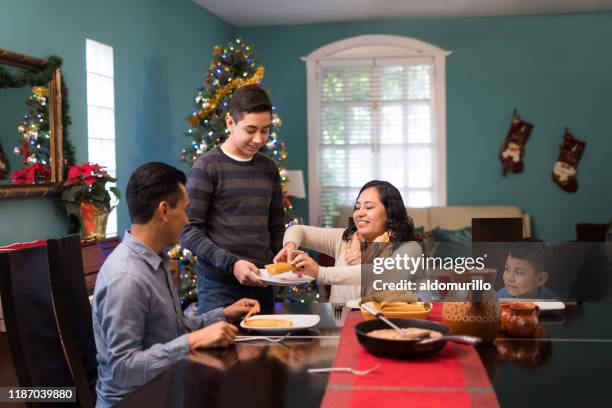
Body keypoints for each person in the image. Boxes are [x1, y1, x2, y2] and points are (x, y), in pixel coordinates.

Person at [92, 162, 260, 408]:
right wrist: (192, 341)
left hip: (163, 391)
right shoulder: (127, 278)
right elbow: (123, 370)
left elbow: (167, 330)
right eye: (184, 210)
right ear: (163, 211)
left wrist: (223, 314)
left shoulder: (154, 260)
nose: (187, 220)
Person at [181, 85, 285, 314]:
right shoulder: (207, 167)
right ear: (230, 123)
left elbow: (276, 228)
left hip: (264, 285)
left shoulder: (269, 169)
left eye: (265, 130)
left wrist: (285, 253)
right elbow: (187, 230)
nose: (258, 139)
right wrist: (232, 263)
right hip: (220, 290)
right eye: (250, 130)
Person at [274, 180, 423, 304]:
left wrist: (320, 272)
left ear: (390, 213)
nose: (360, 213)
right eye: (357, 207)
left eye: (369, 207)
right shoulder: (344, 239)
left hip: (386, 327)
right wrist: (290, 246)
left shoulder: (410, 248)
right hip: (340, 324)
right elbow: (299, 230)